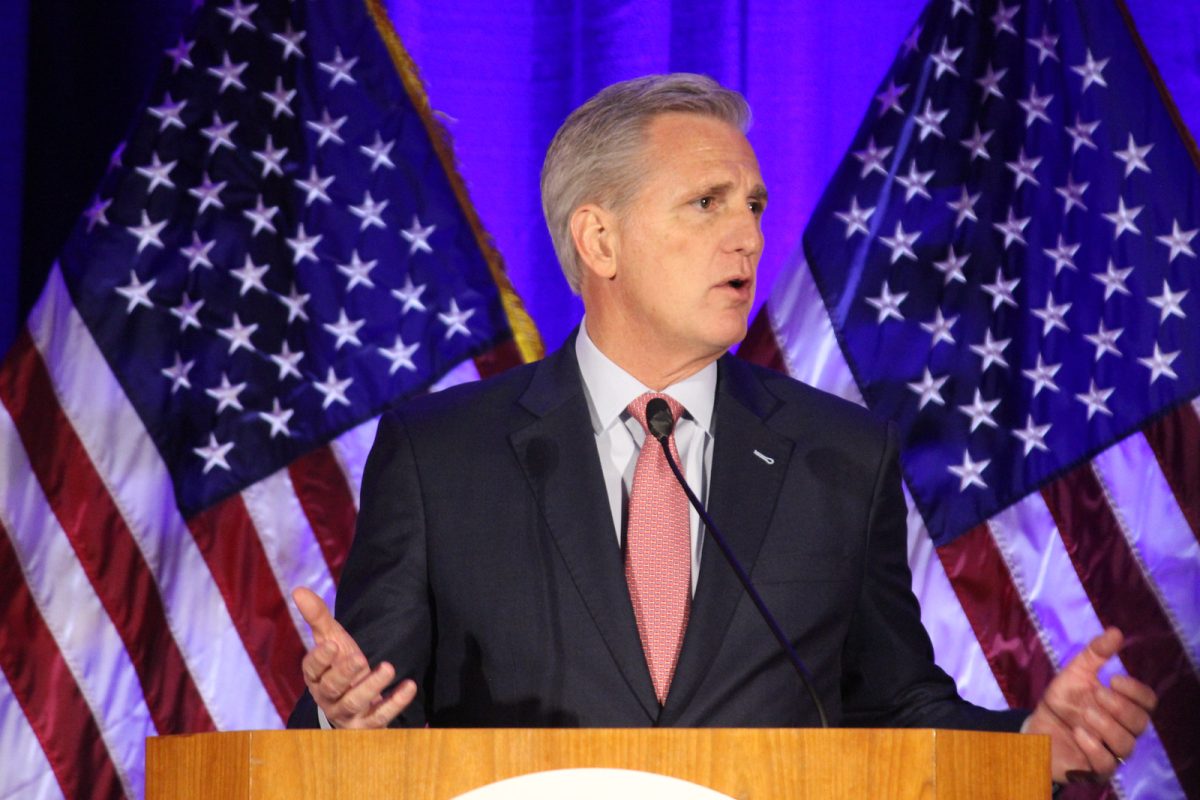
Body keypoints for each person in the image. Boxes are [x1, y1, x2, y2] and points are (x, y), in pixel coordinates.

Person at [288, 73, 1155, 784]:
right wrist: (340, 716)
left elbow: (895, 705)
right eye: (706, 203)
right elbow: (372, 702)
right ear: (600, 238)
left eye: (752, 204)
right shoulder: (441, 455)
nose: (747, 234)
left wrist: (1030, 744)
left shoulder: (839, 456)